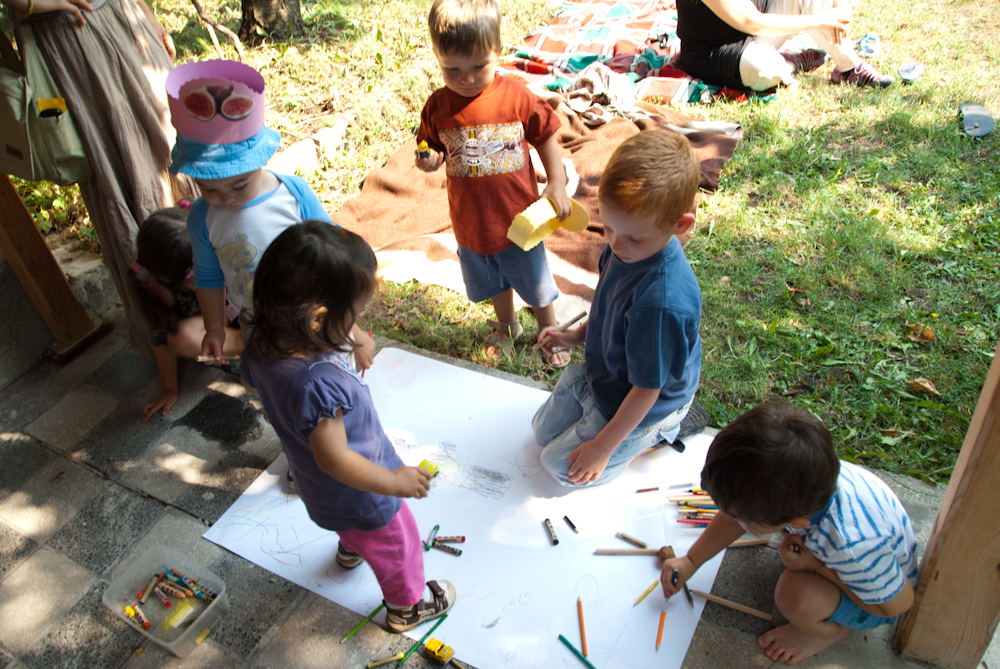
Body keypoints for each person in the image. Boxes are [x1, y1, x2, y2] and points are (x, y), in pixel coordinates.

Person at [240, 221, 456, 632]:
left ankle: (351, 549)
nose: (356, 323)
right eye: (353, 316)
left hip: (320, 490)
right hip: (364, 494)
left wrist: (353, 339)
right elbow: (336, 459)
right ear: (318, 320)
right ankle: (407, 607)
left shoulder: (264, 344)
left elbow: (253, 380)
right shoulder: (316, 384)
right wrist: (393, 483)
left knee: (354, 530)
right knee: (400, 546)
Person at [1, 0, 193, 358]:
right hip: (72, 39)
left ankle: (218, 304)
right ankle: (168, 328)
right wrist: (37, 4)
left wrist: (145, 15)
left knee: (171, 142)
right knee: (122, 164)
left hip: (124, 20)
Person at [661, 403, 917, 665]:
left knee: (793, 595)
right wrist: (691, 561)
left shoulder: (852, 546)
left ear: (796, 522)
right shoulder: (801, 476)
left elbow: (898, 605)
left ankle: (824, 633)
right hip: (851, 560)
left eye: (741, 519)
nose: (730, 518)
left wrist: (817, 568)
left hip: (873, 595)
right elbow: (734, 517)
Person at [166, 59, 374, 369]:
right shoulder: (201, 218)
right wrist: (215, 327)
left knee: (329, 377)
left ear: (260, 160)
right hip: (259, 326)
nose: (226, 199)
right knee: (278, 381)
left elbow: (334, 259)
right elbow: (208, 277)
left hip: (315, 319)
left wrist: (353, 331)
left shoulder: (292, 193)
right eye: (208, 189)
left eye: (239, 185)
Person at [532, 130, 702, 486]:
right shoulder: (625, 248)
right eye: (609, 228)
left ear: (680, 225)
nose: (616, 245)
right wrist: (574, 337)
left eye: (634, 237)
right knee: (540, 434)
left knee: (560, 469)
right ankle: (611, 423)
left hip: (647, 403)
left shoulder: (661, 304)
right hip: (609, 375)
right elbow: (606, 305)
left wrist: (603, 447)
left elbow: (647, 390)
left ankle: (661, 431)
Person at [415, 0, 573, 368]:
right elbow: (430, 146)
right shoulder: (438, 106)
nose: (466, 79)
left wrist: (556, 182)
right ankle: (507, 325)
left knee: (533, 278)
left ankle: (549, 329)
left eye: (478, 66)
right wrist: (429, 159)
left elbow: (546, 134)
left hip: (518, 217)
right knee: (492, 276)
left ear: (498, 51)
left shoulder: (515, 96)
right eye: (452, 69)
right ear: (437, 57)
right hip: (470, 219)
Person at [130, 205, 243, 421]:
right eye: (197, 274)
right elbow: (162, 334)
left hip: (239, 314)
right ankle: (257, 347)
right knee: (182, 337)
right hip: (216, 330)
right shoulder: (161, 287)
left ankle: (263, 343)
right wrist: (169, 389)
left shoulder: (220, 245)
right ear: (170, 278)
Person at [675, 0, 894, 90]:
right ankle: (788, 62)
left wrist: (835, 6)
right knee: (765, 69)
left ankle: (849, 67)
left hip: (756, 30)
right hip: (715, 50)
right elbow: (750, 21)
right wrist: (819, 20)